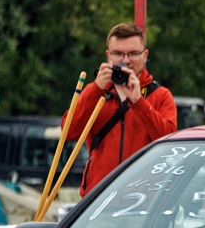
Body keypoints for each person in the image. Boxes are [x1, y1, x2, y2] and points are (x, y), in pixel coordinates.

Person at [63, 23, 177, 196]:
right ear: (108, 56)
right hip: (98, 197)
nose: (125, 60)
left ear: (145, 55)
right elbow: (68, 132)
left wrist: (139, 102)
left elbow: (170, 143)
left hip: (144, 200)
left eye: (133, 53)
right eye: (118, 53)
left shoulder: (160, 96)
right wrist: (96, 89)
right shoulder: (96, 92)